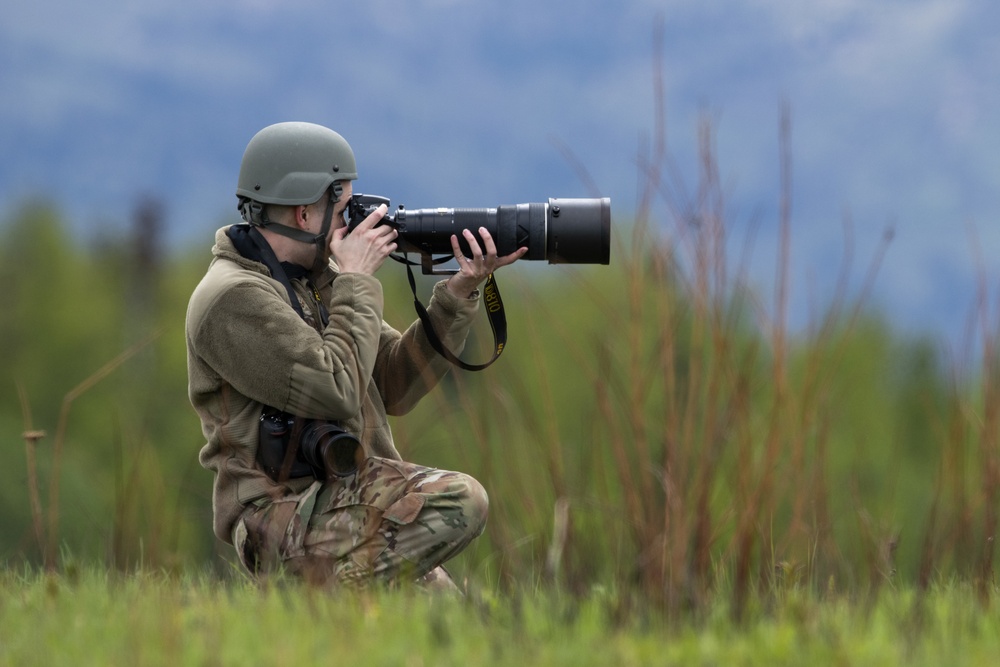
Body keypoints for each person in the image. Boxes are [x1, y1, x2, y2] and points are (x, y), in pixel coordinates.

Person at [186, 121, 526, 588]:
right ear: (305, 213)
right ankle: (309, 609)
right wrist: (358, 279)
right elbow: (336, 390)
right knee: (460, 500)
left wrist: (457, 294)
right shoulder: (232, 299)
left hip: (343, 499)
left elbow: (393, 383)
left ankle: (336, 614)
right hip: (283, 517)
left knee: (447, 617)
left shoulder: (313, 280)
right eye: (345, 206)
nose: (362, 219)